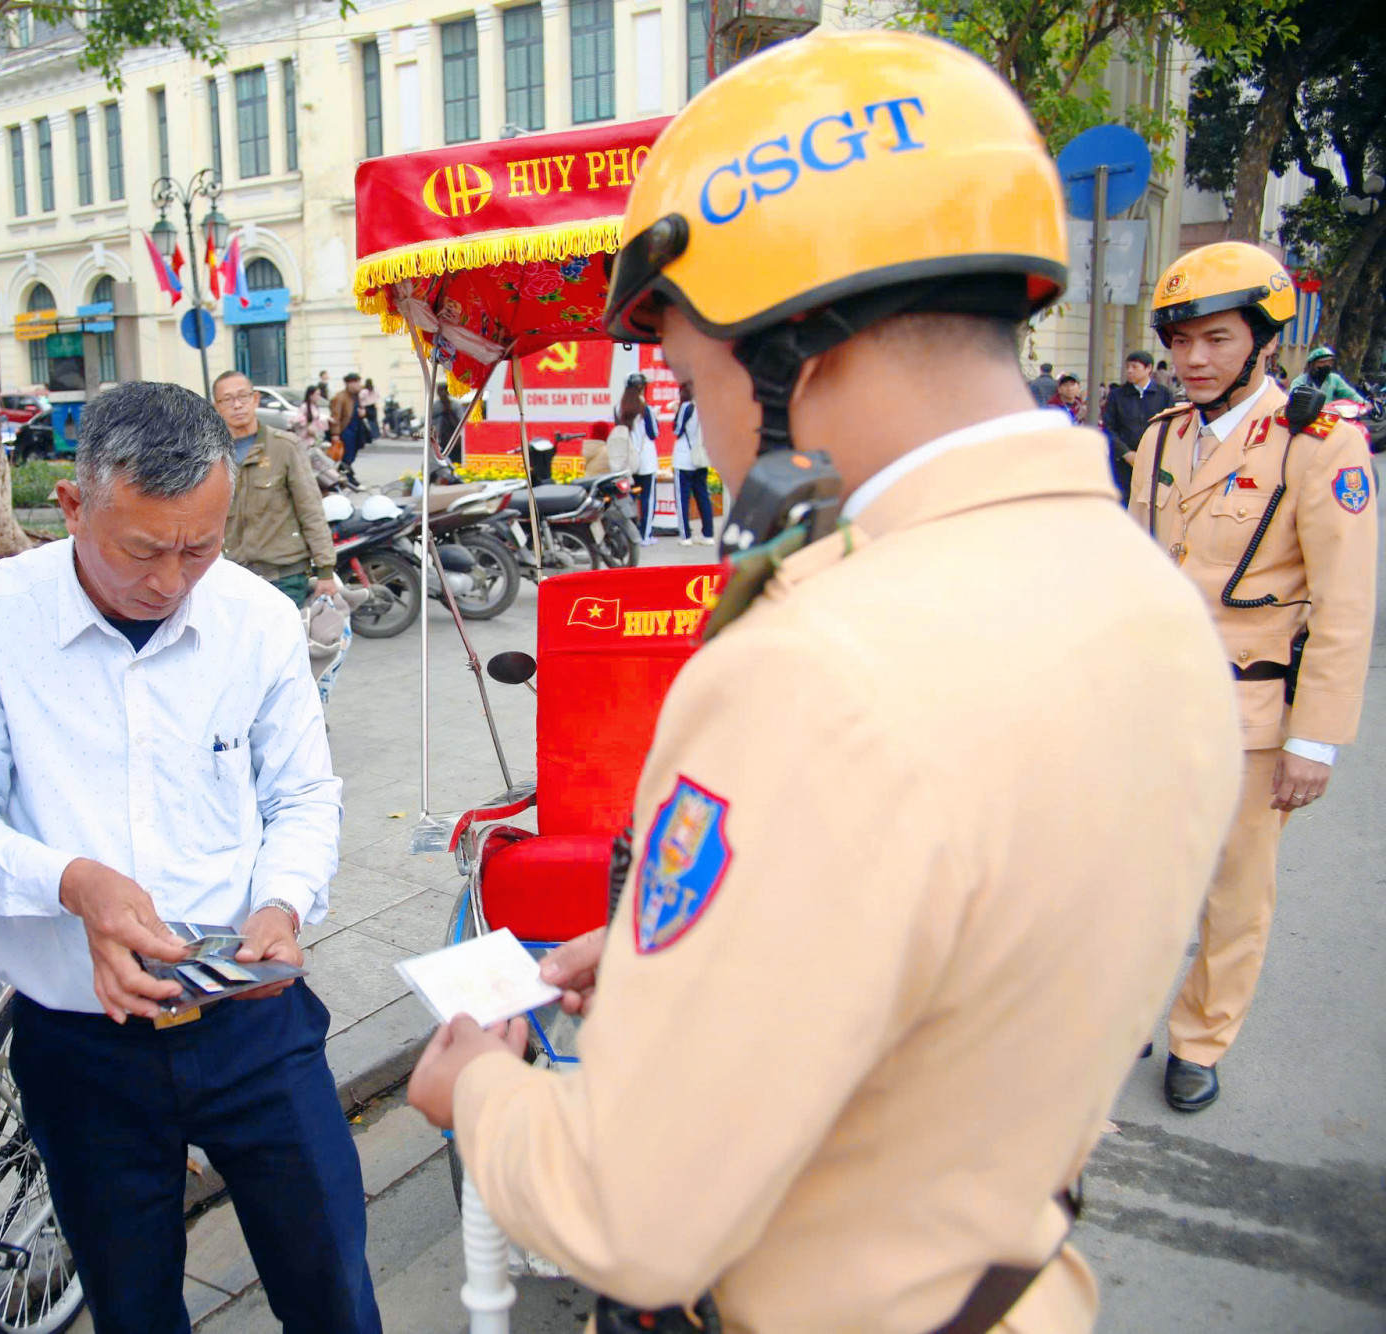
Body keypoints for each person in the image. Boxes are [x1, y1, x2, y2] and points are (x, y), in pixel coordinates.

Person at [407, 29, 1240, 1332]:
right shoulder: (1146, 598)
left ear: (794, 344)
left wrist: (479, 1091)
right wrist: (682, 955)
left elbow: (630, 1212)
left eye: (692, 376)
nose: (706, 430)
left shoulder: (814, 666)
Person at [0, 383, 377, 1333]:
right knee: (130, 1308)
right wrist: (72, 884)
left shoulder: (255, 619)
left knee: (331, 1284)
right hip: (81, 1043)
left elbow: (301, 795)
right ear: (72, 506)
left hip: (251, 1021)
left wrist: (282, 904)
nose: (170, 582)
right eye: (141, 551)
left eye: (199, 548)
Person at [1127, 242, 1378, 1113]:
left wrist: (1317, 741)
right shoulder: (1161, 435)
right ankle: (1125, 1011)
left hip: (1251, 714)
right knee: (1141, 876)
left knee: (1234, 892)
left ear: (1264, 340)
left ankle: (1201, 1038)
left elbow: (1345, 607)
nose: (1193, 359)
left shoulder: (1320, 446)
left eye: (1216, 339)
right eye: (1180, 341)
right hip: (1156, 708)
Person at [213, 370, 338, 609]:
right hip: (236, 578)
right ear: (217, 407)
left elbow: (311, 510)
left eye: (243, 396)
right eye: (227, 399)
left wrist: (325, 571)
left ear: (255, 399)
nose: (237, 405)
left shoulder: (284, 447)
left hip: (285, 577)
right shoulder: (212, 456)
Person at [1100, 350, 1173, 501]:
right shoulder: (1117, 395)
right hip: (1123, 462)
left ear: (1148, 368)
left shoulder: (1163, 394)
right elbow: (1108, 427)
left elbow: (1170, 426)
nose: (1129, 371)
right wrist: (1125, 452)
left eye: (1134, 367)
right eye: (1127, 367)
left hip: (1154, 460)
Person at [672, 381, 715, 544]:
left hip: (684, 459)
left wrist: (676, 411)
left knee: (682, 498)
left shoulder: (686, 407)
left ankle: (685, 537)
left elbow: (677, 430)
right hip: (701, 458)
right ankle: (708, 535)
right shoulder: (706, 407)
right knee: (703, 496)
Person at [621, 374, 662, 543]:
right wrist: (656, 418)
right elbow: (654, 434)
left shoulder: (620, 408)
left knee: (629, 498)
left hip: (627, 461)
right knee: (647, 498)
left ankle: (630, 535)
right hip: (646, 460)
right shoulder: (646, 409)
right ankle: (645, 535)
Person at [329, 372, 366, 476]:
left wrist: (363, 413)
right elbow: (335, 416)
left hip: (356, 429)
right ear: (349, 384)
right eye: (356, 382)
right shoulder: (340, 397)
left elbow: (360, 410)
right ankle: (346, 475)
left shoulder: (356, 396)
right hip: (345, 430)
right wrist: (335, 434)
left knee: (353, 454)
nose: (358, 385)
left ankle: (347, 473)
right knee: (346, 456)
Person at [292, 383, 330, 448]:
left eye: (319, 394)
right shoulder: (304, 406)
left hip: (313, 434)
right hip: (305, 435)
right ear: (310, 395)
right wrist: (306, 423)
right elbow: (298, 419)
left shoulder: (314, 406)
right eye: (316, 394)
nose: (318, 397)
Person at [359, 378, 380, 443]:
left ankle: (365, 436)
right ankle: (375, 436)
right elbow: (378, 396)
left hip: (365, 407)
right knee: (373, 422)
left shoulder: (364, 391)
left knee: (361, 421)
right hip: (373, 406)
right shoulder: (375, 390)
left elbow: (360, 398)